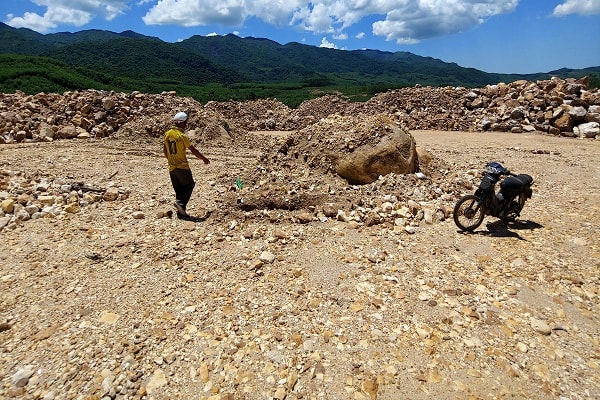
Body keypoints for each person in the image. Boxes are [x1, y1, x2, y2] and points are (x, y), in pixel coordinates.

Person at [163, 111, 210, 220]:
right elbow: (193, 150)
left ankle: (181, 212)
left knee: (179, 190)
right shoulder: (182, 136)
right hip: (182, 166)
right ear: (182, 123)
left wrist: (171, 160)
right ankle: (180, 204)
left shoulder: (167, 134)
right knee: (189, 185)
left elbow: (165, 150)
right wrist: (204, 158)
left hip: (172, 167)